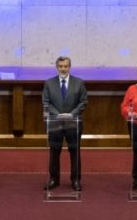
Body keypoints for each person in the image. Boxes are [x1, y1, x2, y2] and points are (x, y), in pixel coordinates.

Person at [42, 56, 88, 191]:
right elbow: (46, 102)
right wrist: (57, 114)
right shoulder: (49, 83)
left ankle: (75, 180)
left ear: (69, 67)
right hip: (55, 123)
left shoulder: (79, 83)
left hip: (73, 122)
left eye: (66, 66)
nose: (63, 69)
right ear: (57, 67)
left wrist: (72, 114)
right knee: (54, 152)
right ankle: (54, 179)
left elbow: (83, 102)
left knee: (75, 152)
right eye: (61, 66)